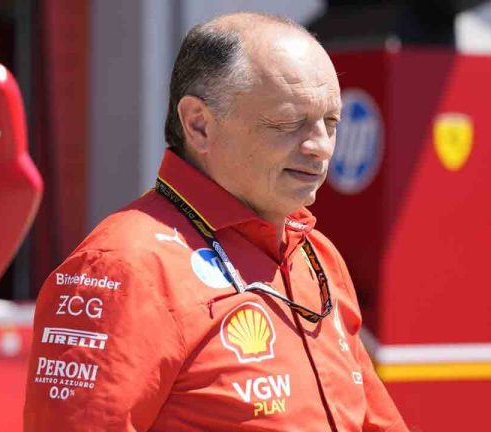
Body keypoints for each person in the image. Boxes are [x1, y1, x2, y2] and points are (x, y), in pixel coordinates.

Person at [23, 12, 408, 432]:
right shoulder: (124, 268)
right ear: (199, 124)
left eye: (330, 123)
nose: (320, 146)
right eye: (287, 122)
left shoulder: (316, 255)